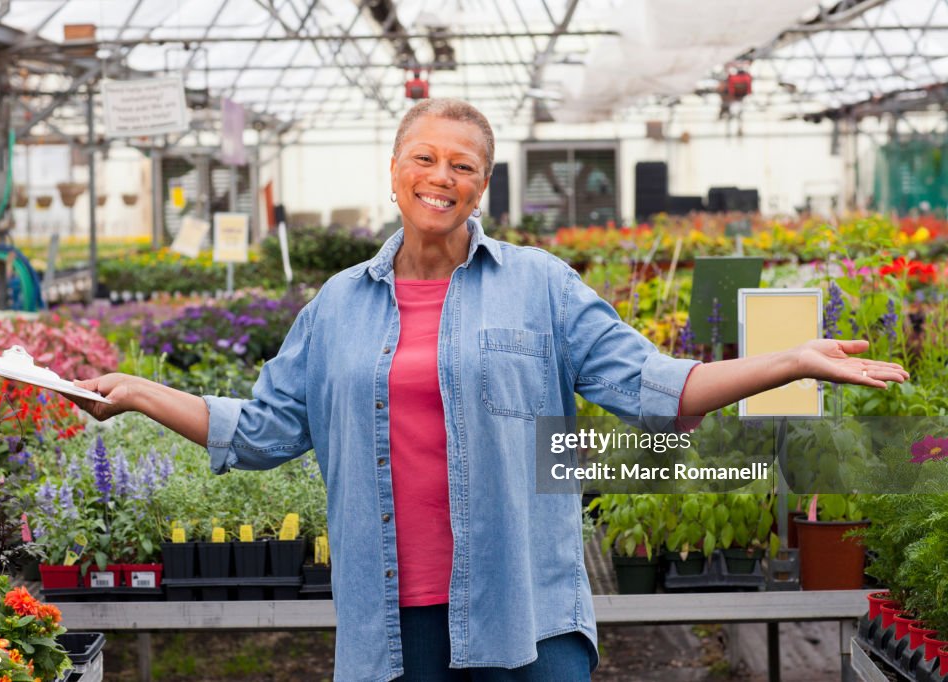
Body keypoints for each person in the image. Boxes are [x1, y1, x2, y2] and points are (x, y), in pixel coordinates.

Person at [68, 99, 908, 682]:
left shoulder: (538, 284)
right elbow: (260, 430)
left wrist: (790, 359)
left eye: (463, 165)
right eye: (425, 159)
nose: (442, 176)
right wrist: (141, 391)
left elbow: (662, 386)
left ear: (483, 185)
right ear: (394, 172)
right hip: (392, 622)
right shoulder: (336, 307)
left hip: (524, 614)